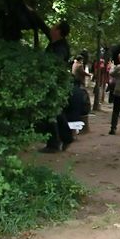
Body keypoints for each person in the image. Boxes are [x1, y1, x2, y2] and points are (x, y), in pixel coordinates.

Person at [39, 20, 74, 153]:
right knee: (56, 112)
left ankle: (54, 143)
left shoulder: (60, 48)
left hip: (54, 82)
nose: (51, 28)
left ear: (58, 31)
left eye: (54, 27)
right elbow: (43, 26)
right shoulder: (56, 43)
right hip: (53, 82)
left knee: (52, 111)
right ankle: (65, 137)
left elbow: (56, 64)